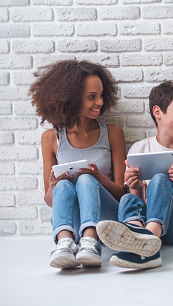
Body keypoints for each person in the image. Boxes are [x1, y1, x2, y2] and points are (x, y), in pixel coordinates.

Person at [97, 81, 173, 269]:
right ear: (158, 112)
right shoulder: (139, 148)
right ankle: (145, 247)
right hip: (147, 219)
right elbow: (138, 201)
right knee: (127, 198)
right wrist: (134, 187)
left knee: (160, 178)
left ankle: (146, 241)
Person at [29, 60, 127, 269]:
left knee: (86, 178)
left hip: (105, 219)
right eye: (91, 97)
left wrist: (100, 179)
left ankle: (91, 242)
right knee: (63, 185)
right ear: (71, 99)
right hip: (72, 223)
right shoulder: (51, 138)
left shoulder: (113, 133)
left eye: (101, 94)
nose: (99, 101)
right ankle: (64, 243)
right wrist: (53, 187)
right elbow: (49, 200)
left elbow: (123, 193)